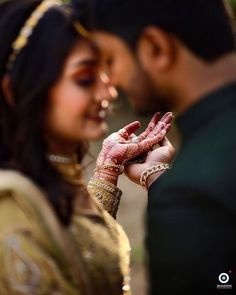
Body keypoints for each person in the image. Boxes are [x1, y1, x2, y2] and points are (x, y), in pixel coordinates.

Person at [0, 0, 174, 294]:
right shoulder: (10, 207)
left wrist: (108, 168)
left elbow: (78, 252)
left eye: (106, 72)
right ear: (16, 89)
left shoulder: (49, 176)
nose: (109, 92)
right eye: (84, 79)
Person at [90, 0, 236, 293]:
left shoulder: (190, 195)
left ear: (156, 47)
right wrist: (157, 177)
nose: (112, 83)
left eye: (111, 59)